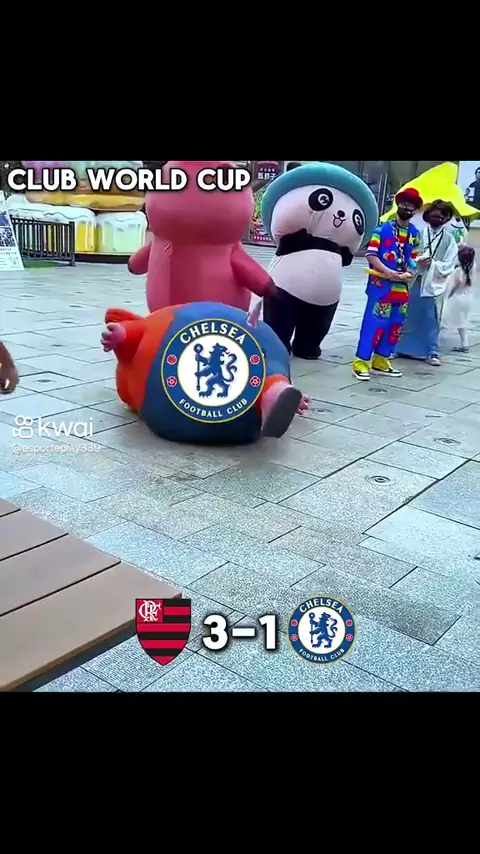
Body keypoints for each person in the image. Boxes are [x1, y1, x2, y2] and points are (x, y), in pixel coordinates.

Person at [352, 187, 422, 381]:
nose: (407, 208)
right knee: (375, 324)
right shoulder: (382, 229)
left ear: (415, 210)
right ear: (398, 204)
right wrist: (388, 272)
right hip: (382, 286)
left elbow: (412, 259)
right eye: (404, 203)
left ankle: (382, 360)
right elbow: (371, 254)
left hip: (402, 288)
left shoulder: (414, 233)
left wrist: (411, 271)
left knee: (394, 325)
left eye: (411, 205)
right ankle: (361, 363)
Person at [396, 200, 458, 366]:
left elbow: (450, 263)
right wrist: (417, 261)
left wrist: (434, 265)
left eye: (440, 216)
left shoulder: (449, 239)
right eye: (433, 215)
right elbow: (407, 256)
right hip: (415, 280)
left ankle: (431, 351)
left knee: (431, 318)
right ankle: (400, 348)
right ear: (427, 216)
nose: (436, 218)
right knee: (407, 315)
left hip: (433, 284)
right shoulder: (418, 234)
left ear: (446, 219)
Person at [442, 245, 476, 352]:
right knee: (462, 322)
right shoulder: (472, 267)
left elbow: (453, 285)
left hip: (457, 298)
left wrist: (448, 295)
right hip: (467, 297)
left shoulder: (458, 271)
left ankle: (464, 344)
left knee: (446, 320)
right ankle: (464, 343)